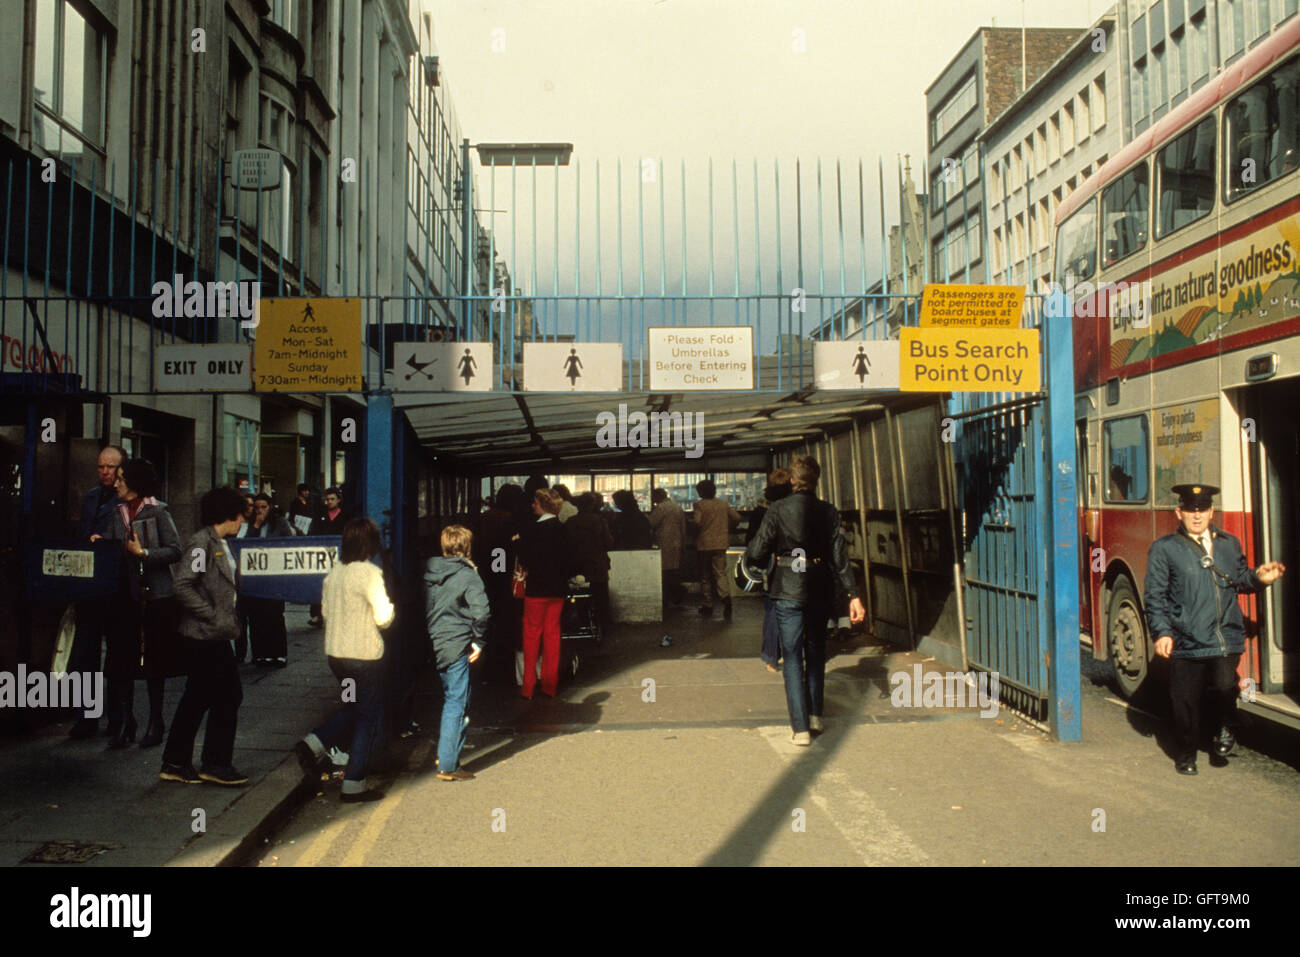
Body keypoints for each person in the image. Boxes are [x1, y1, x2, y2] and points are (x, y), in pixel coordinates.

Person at [1144, 483, 1286, 775]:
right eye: (1190, 511)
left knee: (1224, 686)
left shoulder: (1228, 544)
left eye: (1202, 510)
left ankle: (1225, 725)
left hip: (1225, 636)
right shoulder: (1164, 549)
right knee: (1185, 703)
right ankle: (1186, 754)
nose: (1197, 516)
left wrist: (1260, 578)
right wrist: (1163, 632)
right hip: (1186, 638)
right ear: (1179, 512)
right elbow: (1154, 597)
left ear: (1211, 513)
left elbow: (1240, 581)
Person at [745, 456, 865, 746]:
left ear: (791, 481)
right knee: (815, 650)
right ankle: (815, 716)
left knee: (792, 656)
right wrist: (853, 594)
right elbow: (839, 557)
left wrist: (765, 556)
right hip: (819, 587)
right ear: (817, 480)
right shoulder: (828, 512)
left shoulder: (777, 509)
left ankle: (800, 729)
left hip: (786, 588)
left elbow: (757, 551)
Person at [295, 517, 395, 802]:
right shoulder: (370, 574)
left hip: (336, 656)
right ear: (370, 544)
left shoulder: (335, 574)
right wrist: (391, 612)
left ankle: (314, 742)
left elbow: (325, 612)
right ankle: (353, 783)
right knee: (367, 716)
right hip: (364, 656)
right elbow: (383, 617)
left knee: (353, 705)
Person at [160, 487, 249, 785]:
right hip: (203, 636)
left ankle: (178, 762)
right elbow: (183, 586)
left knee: (199, 697)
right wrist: (212, 614)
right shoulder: (201, 544)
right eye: (241, 515)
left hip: (214, 635)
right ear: (231, 515)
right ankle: (213, 763)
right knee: (225, 695)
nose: (243, 522)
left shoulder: (219, 543)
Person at [93, 459, 183, 750]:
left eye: (121, 478)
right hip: (124, 596)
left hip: (155, 596)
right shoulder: (115, 513)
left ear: (134, 482)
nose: (116, 483)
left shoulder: (158, 511)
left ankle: (156, 722)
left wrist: (143, 552)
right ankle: (126, 720)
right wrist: (102, 542)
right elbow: (112, 549)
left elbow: (175, 550)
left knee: (154, 662)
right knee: (121, 660)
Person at [67, 445, 127, 739]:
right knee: (85, 654)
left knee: (115, 656)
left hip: (115, 585)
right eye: (101, 466)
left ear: (121, 469)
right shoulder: (90, 497)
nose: (104, 472)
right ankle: (86, 717)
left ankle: (117, 718)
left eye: (110, 467)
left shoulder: (127, 499)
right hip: (89, 584)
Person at [424, 525, 490, 781]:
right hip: (458, 643)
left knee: (451, 697)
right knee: (457, 702)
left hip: (436, 642)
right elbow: (482, 613)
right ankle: (448, 764)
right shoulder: (469, 576)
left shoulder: (429, 571)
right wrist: (479, 641)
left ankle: (447, 752)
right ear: (467, 547)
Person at [516, 489, 573, 698]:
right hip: (557, 591)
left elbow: (524, 560)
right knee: (552, 635)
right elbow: (570, 560)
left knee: (531, 636)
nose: (532, 505)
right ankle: (550, 685)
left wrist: (516, 543)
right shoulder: (563, 529)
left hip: (536, 591)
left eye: (535, 502)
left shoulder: (531, 530)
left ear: (542, 504)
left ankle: (528, 685)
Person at [475, 484, 524, 686]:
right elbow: (500, 553)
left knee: (492, 627)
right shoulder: (505, 521)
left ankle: (490, 671)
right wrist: (503, 576)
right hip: (501, 581)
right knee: (505, 627)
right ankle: (501, 672)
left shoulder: (486, 518)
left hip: (486, 579)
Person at [244, 493, 293, 666]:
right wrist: (256, 525)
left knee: (274, 616)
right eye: (257, 507)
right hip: (255, 578)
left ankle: (278, 653)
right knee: (256, 617)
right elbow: (243, 543)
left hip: (273, 577)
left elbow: (288, 544)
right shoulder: (249, 523)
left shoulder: (280, 523)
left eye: (263, 507)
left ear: (270, 507)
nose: (260, 511)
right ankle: (260, 654)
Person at [752, 469, 792, 672]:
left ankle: (771, 656)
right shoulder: (799, 508)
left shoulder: (767, 510)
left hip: (774, 566)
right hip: (797, 566)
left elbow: (757, 542)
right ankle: (794, 653)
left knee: (772, 610)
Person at [566, 492, 614, 634]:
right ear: (592, 505)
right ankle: (603, 626)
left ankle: (583, 624)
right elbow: (609, 542)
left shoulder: (570, 522)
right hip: (597, 564)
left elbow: (566, 544)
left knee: (580, 596)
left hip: (577, 565)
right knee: (601, 597)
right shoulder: (599, 521)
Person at [693, 479, 741, 620]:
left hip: (704, 545)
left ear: (701, 492)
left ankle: (707, 605)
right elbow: (737, 518)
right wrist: (728, 527)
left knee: (705, 575)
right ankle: (726, 599)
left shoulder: (699, 505)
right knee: (720, 573)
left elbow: (697, 522)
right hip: (721, 544)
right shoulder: (723, 504)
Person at [307, 487, 349, 627]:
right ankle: (317, 614)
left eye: (332, 499)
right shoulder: (321, 515)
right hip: (322, 555)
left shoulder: (345, 516)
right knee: (319, 583)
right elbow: (313, 531)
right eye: (327, 499)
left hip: (340, 555)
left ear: (339, 500)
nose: (329, 502)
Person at [649, 488, 686, 606]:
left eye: (653, 497)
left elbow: (652, 523)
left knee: (664, 571)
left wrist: (645, 516)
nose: (652, 500)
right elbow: (683, 527)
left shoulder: (661, 508)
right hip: (677, 542)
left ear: (659, 496)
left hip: (665, 542)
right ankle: (677, 592)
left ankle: (672, 594)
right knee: (674, 570)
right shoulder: (677, 507)